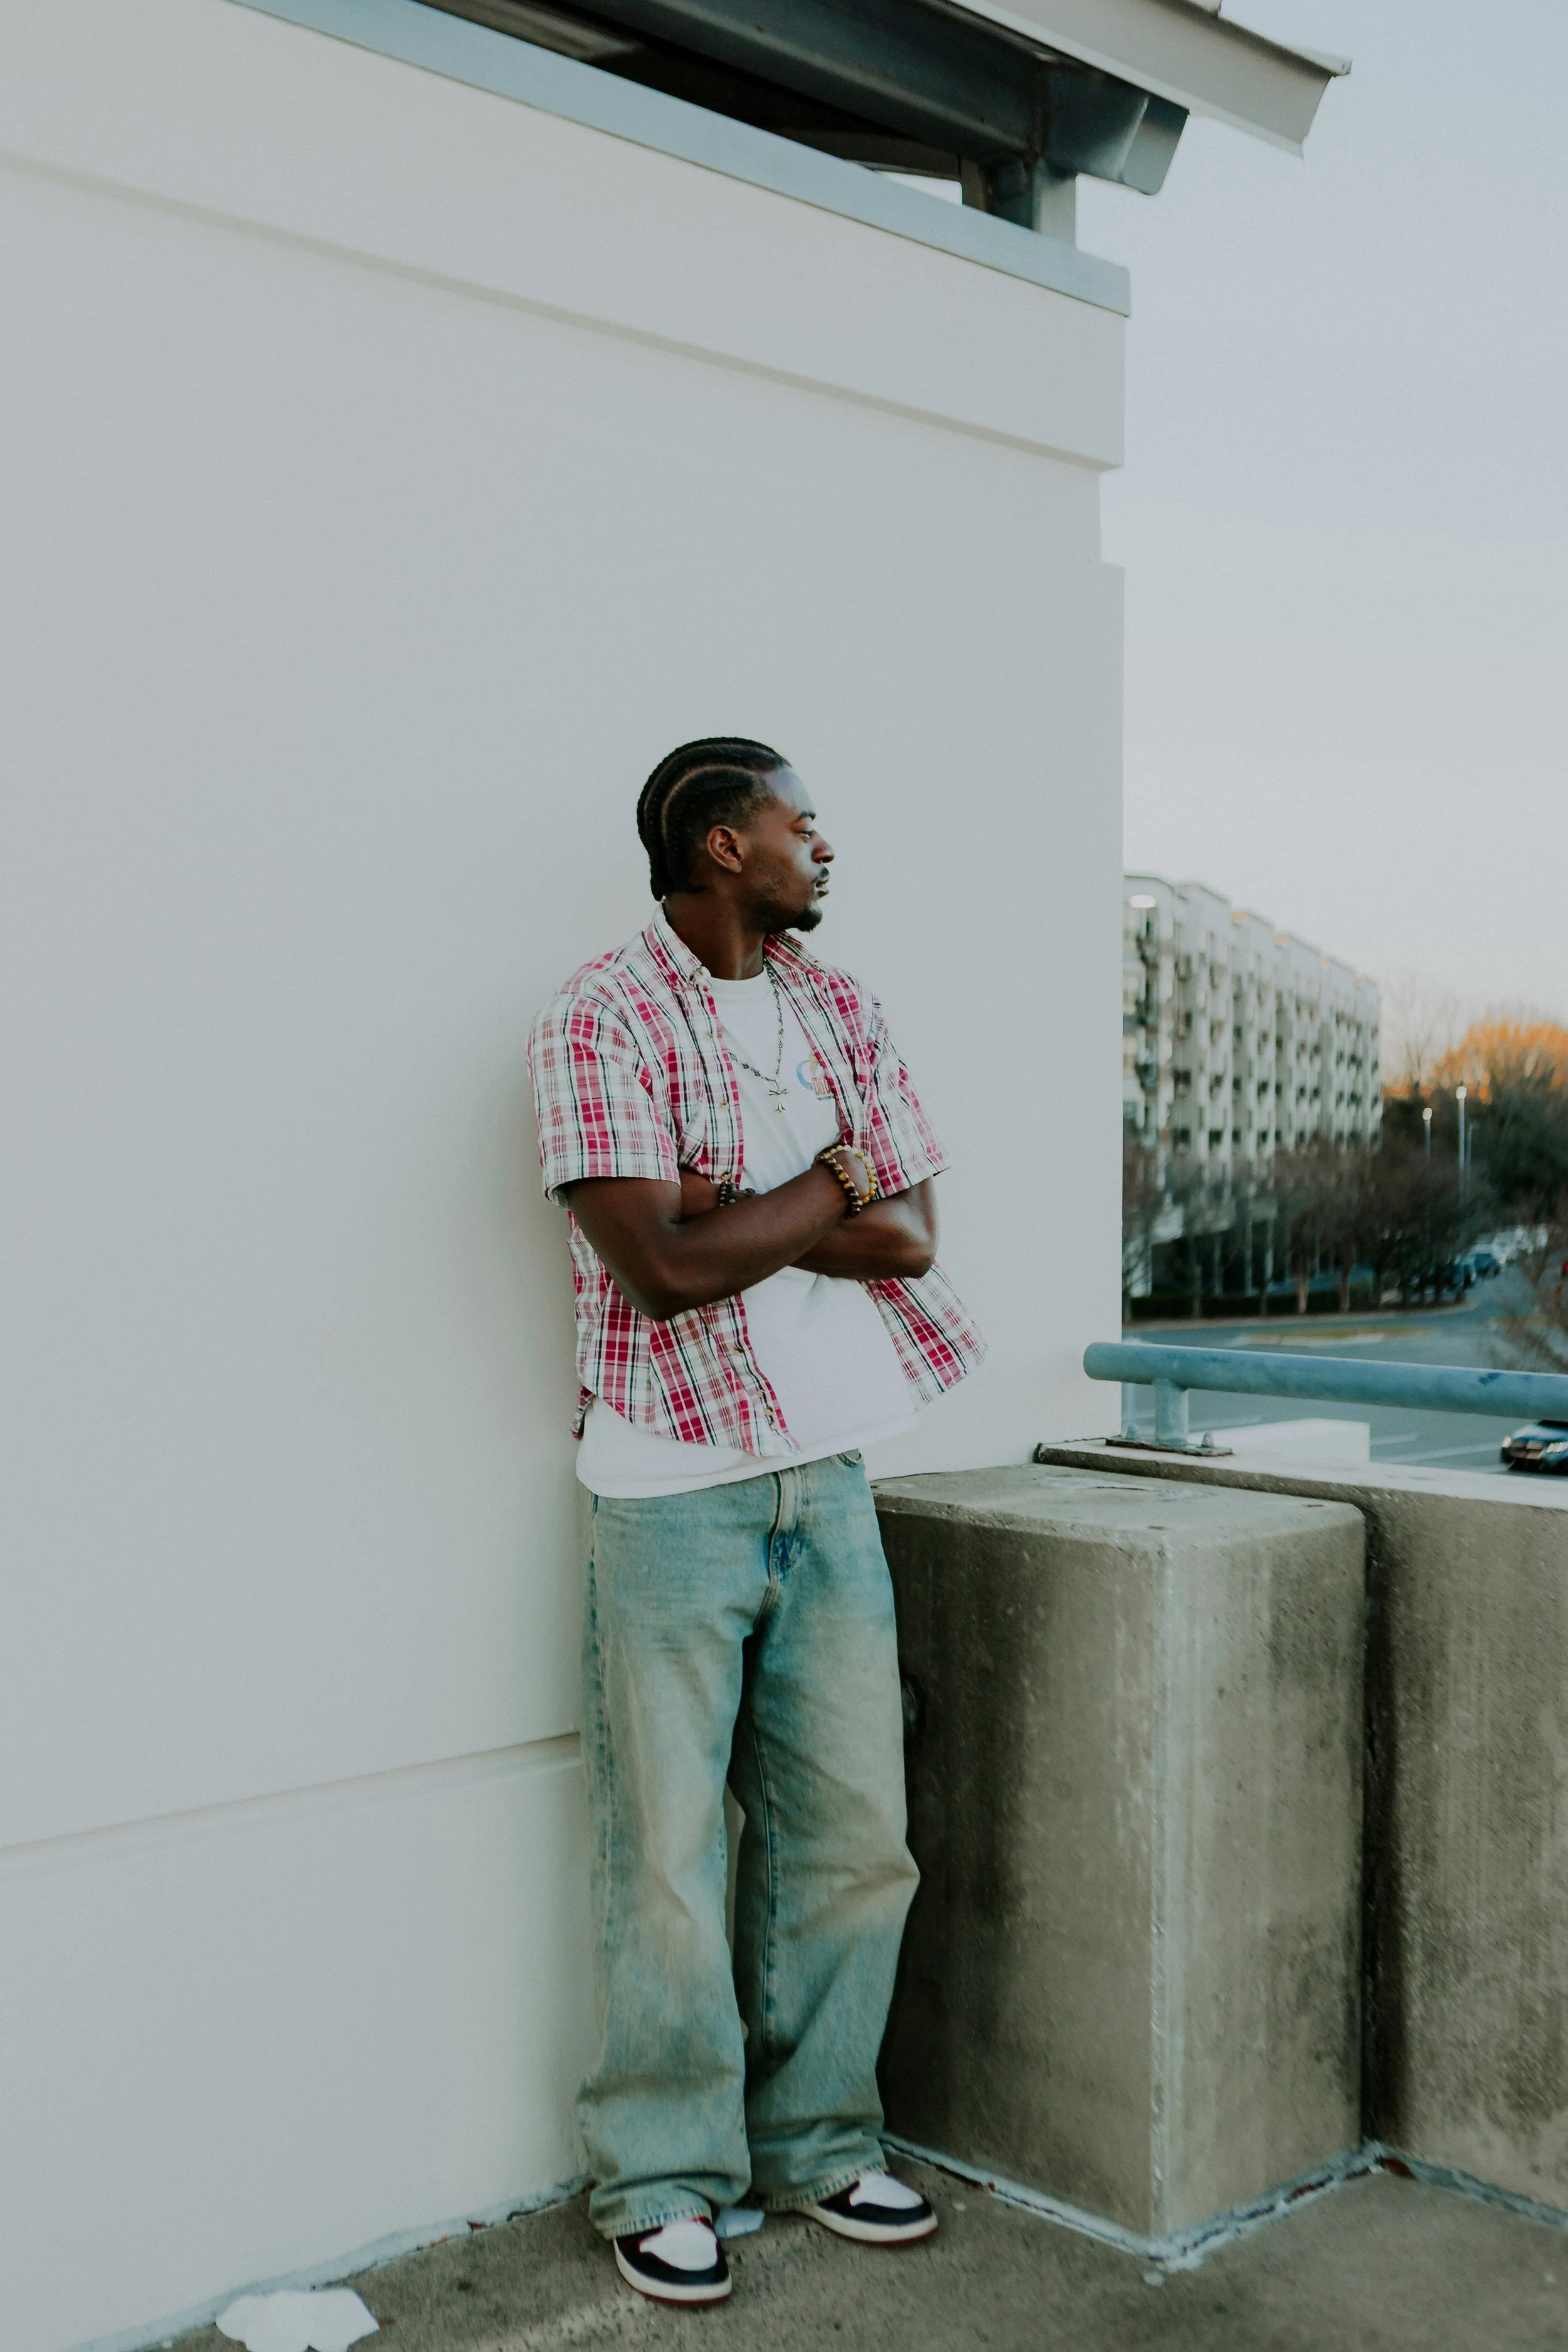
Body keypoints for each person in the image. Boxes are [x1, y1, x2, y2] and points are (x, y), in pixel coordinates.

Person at [527, 738, 983, 2307]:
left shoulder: (837, 1003)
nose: (823, 847)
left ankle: (823, 2139)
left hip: (831, 1470)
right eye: (802, 823)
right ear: (724, 845)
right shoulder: (601, 1014)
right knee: (662, 1854)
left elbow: (911, 1234)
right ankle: (661, 2176)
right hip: (669, 1488)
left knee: (853, 1838)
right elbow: (658, 1268)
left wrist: (752, 1214)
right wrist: (825, 1184)